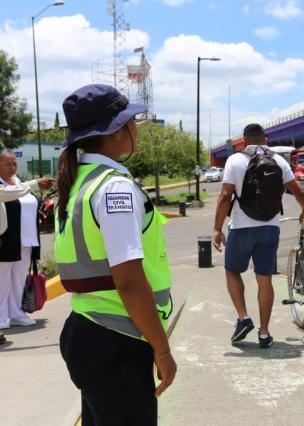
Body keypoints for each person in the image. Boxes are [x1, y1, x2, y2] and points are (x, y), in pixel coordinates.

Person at [55, 84, 176, 425]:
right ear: (117, 131)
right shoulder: (114, 187)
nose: (135, 129)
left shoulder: (78, 182)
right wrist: (162, 349)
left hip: (88, 331)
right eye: (132, 122)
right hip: (117, 340)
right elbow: (129, 281)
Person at [213, 123, 304, 348]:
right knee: (264, 279)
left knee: (232, 271)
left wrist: (217, 228)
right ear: (265, 139)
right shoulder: (278, 160)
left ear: (244, 140)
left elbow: (224, 196)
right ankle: (265, 332)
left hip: (241, 227)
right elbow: (298, 190)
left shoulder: (235, 160)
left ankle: (243, 317)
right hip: (270, 227)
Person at [0, 149, 55, 338]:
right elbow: (9, 195)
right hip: (5, 239)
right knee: (2, 278)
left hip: (25, 239)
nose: (12, 167)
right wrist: (34, 184)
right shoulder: (7, 186)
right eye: (8, 163)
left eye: (14, 163)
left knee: (19, 278)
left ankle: (16, 313)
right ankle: (0, 316)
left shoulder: (18, 183)